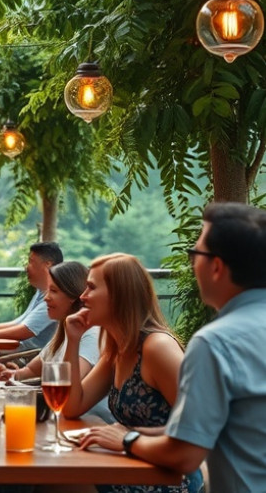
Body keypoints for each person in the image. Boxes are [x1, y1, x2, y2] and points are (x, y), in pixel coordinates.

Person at [79, 203, 266, 492]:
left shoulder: (215, 342)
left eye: (195, 254)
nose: (192, 264)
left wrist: (128, 440)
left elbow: (186, 453)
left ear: (216, 266)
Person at [61, 253, 201, 493]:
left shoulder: (157, 348)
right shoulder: (119, 349)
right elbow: (72, 406)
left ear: (118, 295)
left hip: (169, 477)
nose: (82, 297)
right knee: (55, 481)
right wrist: (72, 341)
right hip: (133, 465)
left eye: (91, 288)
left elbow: (198, 426)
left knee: (60, 483)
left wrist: (129, 436)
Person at [0, 261, 112, 422]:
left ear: (73, 296)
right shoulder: (62, 333)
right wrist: (12, 375)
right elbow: (31, 370)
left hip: (89, 425)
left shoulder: (91, 335)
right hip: (64, 422)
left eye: (53, 291)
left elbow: (66, 388)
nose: (46, 298)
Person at [0, 242, 62, 353]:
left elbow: (26, 329)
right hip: (15, 355)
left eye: (31, 262)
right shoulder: (41, 291)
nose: (26, 267)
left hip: (26, 358)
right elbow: (20, 322)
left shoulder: (54, 298)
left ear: (47, 265)